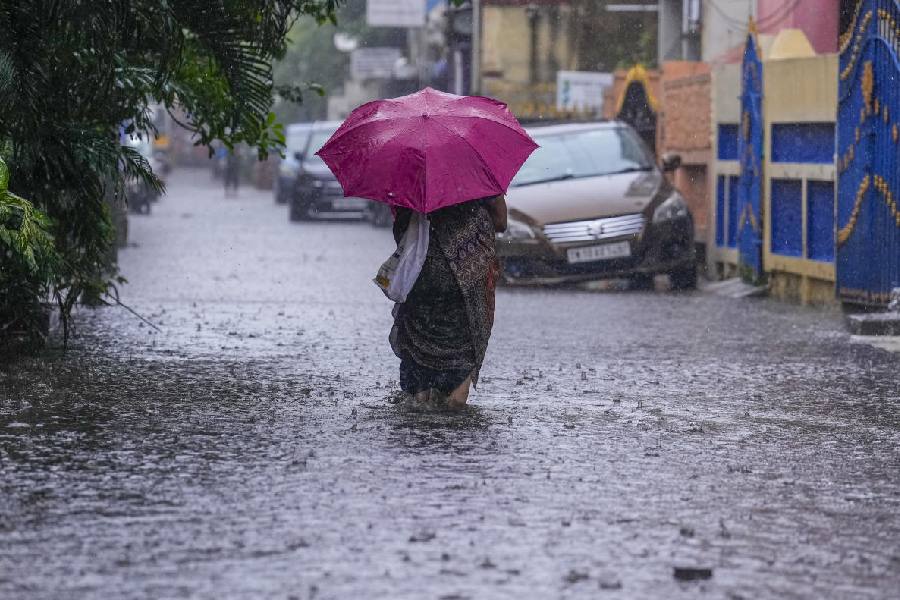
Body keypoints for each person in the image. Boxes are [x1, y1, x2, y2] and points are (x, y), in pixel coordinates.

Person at [390, 196, 507, 410]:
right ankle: (454, 405)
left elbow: (400, 225)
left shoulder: (410, 177)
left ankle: (421, 400)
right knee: (462, 348)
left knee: (418, 352)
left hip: (420, 276)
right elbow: (501, 222)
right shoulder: (474, 171)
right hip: (466, 277)